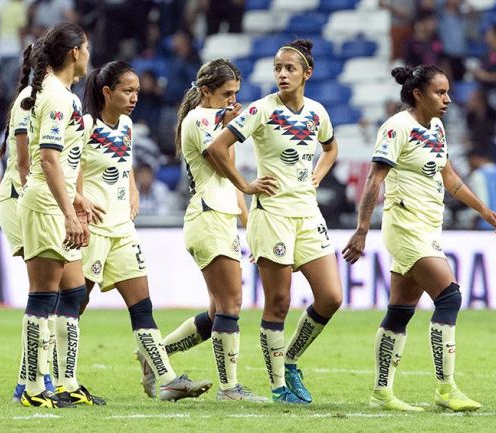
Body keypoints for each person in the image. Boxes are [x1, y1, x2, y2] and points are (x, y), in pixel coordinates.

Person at [342, 65, 496, 412]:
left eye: (447, 92)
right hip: (405, 226)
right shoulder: (396, 127)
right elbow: (374, 179)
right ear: (418, 94)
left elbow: (449, 177)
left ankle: (381, 393)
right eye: (439, 93)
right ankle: (446, 388)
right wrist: (361, 230)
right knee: (450, 296)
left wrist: (483, 209)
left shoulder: (436, 127)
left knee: (400, 312)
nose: (447, 99)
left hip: (428, 226)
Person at [206, 39, 343, 404]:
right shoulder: (261, 110)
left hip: (307, 212)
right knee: (278, 303)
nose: (282, 74)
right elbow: (216, 148)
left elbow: (331, 148)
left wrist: (318, 175)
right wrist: (246, 185)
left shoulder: (317, 112)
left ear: (306, 73)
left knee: (331, 297)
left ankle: (292, 359)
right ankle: (280, 386)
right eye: (277, 69)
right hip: (272, 215)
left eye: (290, 69)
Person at [78, 60, 212, 401]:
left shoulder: (126, 125)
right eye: (127, 90)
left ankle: (166, 379)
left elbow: (125, 165)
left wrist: (133, 192)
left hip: (121, 229)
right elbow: (68, 169)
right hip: (92, 229)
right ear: (107, 92)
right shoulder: (85, 125)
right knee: (74, 305)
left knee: (142, 307)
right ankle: (47, 376)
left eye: (137, 90)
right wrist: (77, 205)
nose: (135, 97)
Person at [150, 58, 268, 402]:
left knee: (219, 309)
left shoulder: (214, 121)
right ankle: (230, 389)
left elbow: (227, 175)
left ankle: (154, 354)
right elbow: (223, 166)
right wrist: (247, 186)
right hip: (208, 216)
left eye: (235, 94)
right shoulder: (199, 119)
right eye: (226, 94)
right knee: (231, 303)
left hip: (219, 216)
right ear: (205, 92)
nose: (233, 101)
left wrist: (249, 223)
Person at [16, 22, 101, 408]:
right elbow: (47, 161)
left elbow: (62, 161)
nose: (90, 54)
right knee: (43, 296)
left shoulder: (62, 95)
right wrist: (68, 212)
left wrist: (77, 199)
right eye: (87, 48)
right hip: (46, 205)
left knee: (74, 291)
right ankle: (34, 388)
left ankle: (66, 381)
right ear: (75, 53)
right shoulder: (56, 97)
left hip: (58, 201)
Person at [0, 41, 60, 403]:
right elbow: (23, 166)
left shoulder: (51, 98)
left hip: (33, 198)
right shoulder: (28, 101)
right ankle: (36, 379)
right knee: (46, 290)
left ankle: (32, 376)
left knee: (55, 290)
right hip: (21, 199)